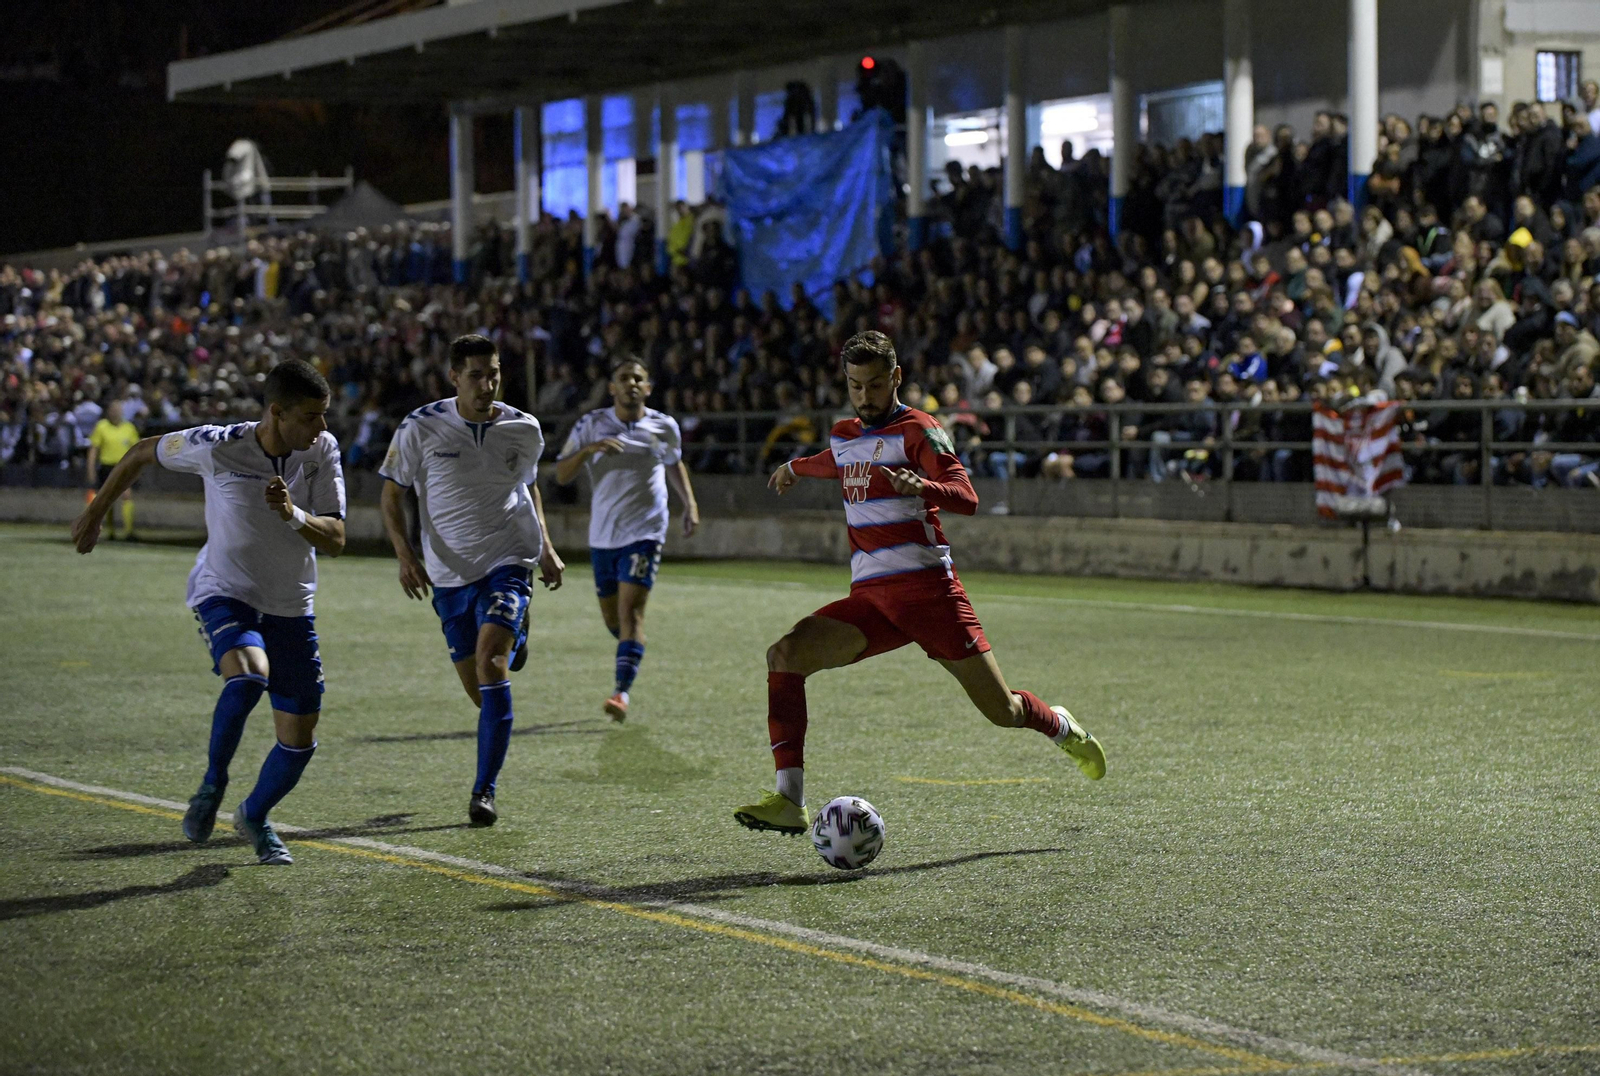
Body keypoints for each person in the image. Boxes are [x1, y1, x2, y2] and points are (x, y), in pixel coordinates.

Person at [732, 331, 1106, 836]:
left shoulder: (920, 430)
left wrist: (922, 485)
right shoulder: (844, 435)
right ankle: (788, 800)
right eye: (856, 385)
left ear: (896, 379)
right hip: (873, 602)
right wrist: (793, 467)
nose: (865, 396)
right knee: (785, 655)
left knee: (1003, 710)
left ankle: (1059, 724)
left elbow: (966, 496)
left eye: (876, 384)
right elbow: (836, 461)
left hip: (930, 596)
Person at [70, 360, 347, 865]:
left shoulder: (322, 451)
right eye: (310, 416)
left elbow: (336, 539)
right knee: (248, 676)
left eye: (323, 416)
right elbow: (138, 453)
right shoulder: (218, 444)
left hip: (291, 605)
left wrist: (293, 514)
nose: (321, 427)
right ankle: (212, 784)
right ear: (276, 413)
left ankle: (254, 816)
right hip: (225, 591)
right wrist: (94, 514)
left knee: (300, 739)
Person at [378, 334, 563, 828]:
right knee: (480, 690)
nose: (487, 384)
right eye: (476, 375)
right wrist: (404, 555)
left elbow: (528, 487)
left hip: (508, 557)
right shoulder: (420, 427)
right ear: (454, 377)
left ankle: (484, 791)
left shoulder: (522, 428)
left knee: (491, 663)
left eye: (494, 373)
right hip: (448, 574)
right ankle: (518, 631)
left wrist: (544, 546)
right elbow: (392, 496)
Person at [554, 357, 699, 722]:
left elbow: (673, 462)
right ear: (612, 388)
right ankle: (631, 649)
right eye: (624, 378)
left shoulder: (662, 426)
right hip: (604, 535)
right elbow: (561, 473)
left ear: (647, 388)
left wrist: (689, 505)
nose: (632, 383)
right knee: (614, 620)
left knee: (631, 615)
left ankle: (620, 694)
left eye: (638, 379)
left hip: (645, 532)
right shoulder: (592, 424)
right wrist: (589, 450)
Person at [86, 399, 141, 540]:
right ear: (109, 412)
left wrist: (137, 467)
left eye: (118, 410)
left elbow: (136, 450)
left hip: (124, 467)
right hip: (107, 467)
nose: (115, 412)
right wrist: (91, 469)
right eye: (113, 409)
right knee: (108, 500)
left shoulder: (129, 428)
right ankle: (111, 532)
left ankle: (129, 532)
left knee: (126, 495)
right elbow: (94, 449)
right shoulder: (101, 426)